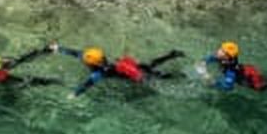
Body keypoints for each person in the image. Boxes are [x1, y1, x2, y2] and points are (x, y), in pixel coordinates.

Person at [49, 42, 184, 97]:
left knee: (157, 77)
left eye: (86, 61)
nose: (83, 59)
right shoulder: (99, 59)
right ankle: (171, 55)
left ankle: (180, 75)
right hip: (133, 67)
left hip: (134, 75)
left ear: (91, 64)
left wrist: (74, 94)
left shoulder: (100, 72)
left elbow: (87, 84)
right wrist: (58, 48)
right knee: (150, 65)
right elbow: (76, 53)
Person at [195, 41, 267, 91]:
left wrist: (212, 82)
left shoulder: (231, 71)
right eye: (220, 48)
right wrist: (203, 64)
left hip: (251, 78)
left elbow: (228, 87)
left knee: (264, 86)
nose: (218, 50)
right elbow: (205, 60)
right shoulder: (221, 58)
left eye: (222, 51)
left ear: (227, 56)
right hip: (247, 69)